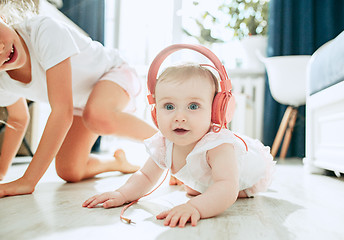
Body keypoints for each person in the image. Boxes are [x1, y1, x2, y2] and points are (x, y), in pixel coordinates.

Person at [83, 60, 276, 228]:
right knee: (197, 189)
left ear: (216, 111)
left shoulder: (218, 145)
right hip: (212, 177)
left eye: (193, 106)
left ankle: (208, 188)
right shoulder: (163, 142)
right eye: (169, 106)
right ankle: (202, 186)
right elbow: (145, 176)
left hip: (247, 175)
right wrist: (121, 194)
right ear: (154, 111)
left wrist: (195, 207)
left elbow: (227, 187)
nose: (179, 117)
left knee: (219, 189)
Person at [0, 2, 157, 197]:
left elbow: (61, 112)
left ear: (2, 18)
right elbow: (18, 118)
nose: (0, 48)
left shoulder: (43, 30)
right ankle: (118, 163)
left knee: (98, 115)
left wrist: (28, 181)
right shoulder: (2, 81)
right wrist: (1, 172)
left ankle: (169, 145)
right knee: (69, 170)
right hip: (79, 104)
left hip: (112, 74)